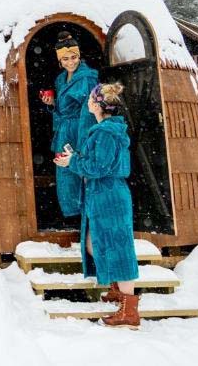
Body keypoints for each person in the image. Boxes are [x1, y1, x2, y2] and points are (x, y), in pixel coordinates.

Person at [54, 82, 140, 329]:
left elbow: (97, 168)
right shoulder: (103, 130)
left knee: (119, 248)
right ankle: (119, 291)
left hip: (109, 196)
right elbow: (95, 163)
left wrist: (73, 162)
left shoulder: (105, 133)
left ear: (97, 105)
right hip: (103, 194)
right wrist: (75, 159)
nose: (88, 102)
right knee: (95, 243)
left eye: (92, 99)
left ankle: (129, 311)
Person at [41, 31, 98, 218]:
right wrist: (51, 104)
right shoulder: (60, 79)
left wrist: (85, 139)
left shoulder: (87, 78)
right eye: (65, 59)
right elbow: (61, 109)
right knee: (65, 173)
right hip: (64, 131)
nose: (70, 62)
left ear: (79, 56)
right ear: (60, 60)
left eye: (73, 57)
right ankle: (72, 214)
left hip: (80, 128)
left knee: (79, 168)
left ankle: (85, 215)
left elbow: (89, 109)